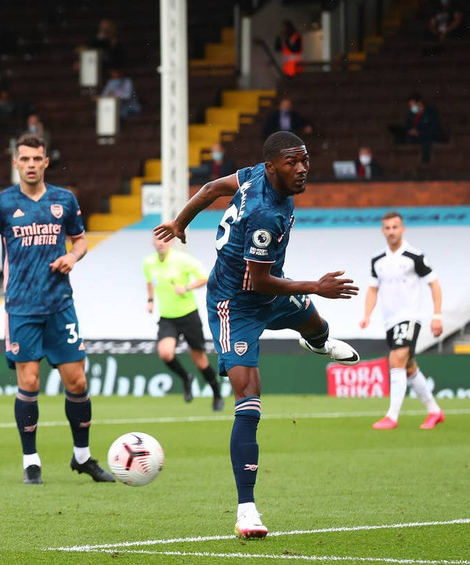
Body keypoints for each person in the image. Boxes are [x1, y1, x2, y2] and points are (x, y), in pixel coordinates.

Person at [153, 131, 361, 540]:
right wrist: (315, 287)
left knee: (318, 327)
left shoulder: (253, 175)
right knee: (249, 400)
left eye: (304, 159)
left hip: (269, 286)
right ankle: (246, 509)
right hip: (236, 303)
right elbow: (261, 282)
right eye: (291, 162)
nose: (301, 169)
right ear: (272, 167)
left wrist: (180, 222)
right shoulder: (265, 213)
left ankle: (316, 343)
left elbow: (212, 188)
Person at [0, 134, 115, 486]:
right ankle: (31, 461)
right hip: (22, 308)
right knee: (29, 381)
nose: (30, 164)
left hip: (60, 305)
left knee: (77, 381)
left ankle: (82, 456)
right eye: (24, 159)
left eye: (36, 159)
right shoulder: (1, 203)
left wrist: (72, 256)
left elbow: (81, 240)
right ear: (16, 162)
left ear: (46, 162)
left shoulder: (64, 200)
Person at [361, 211, 445, 430]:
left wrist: (437, 315)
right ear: (382, 231)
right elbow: (372, 289)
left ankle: (392, 416)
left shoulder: (414, 256)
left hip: (409, 317)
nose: (391, 232)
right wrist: (367, 314)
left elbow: (434, 284)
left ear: (402, 229)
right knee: (408, 367)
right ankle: (435, 411)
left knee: (396, 359)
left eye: (395, 227)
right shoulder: (377, 260)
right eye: (387, 228)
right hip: (389, 321)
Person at [143, 236, 223, 411]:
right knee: (165, 353)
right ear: (153, 242)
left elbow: (205, 277)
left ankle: (216, 393)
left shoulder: (182, 260)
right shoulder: (148, 262)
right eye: (157, 239)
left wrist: (186, 288)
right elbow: (150, 281)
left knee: (200, 360)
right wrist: (150, 300)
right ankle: (186, 377)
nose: (161, 242)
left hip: (188, 315)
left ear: (171, 242)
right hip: (167, 317)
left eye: (165, 239)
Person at [392, 93, 442, 163]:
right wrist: (410, 131)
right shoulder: (411, 115)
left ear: (419, 102)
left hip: (428, 137)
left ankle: (425, 164)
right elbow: (408, 126)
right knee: (399, 138)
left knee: (426, 144)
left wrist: (419, 132)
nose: (412, 107)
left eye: (413, 105)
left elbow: (434, 128)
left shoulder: (431, 112)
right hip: (414, 137)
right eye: (411, 105)